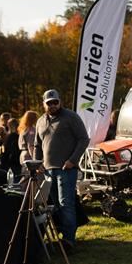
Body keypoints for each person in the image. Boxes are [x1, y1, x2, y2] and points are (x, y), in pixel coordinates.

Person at [34, 89, 89, 251]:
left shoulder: (71, 117)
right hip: (48, 171)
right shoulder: (40, 121)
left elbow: (84, 139)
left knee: (66, 204)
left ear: (60, 102)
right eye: (49, 103)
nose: (52, 105)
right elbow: (37, 145)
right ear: (43, 104)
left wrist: (72, 160)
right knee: (55, 206)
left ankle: (69, 240)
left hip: (66, 169)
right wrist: (38, 163)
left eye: (55, 102)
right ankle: (63, 235)